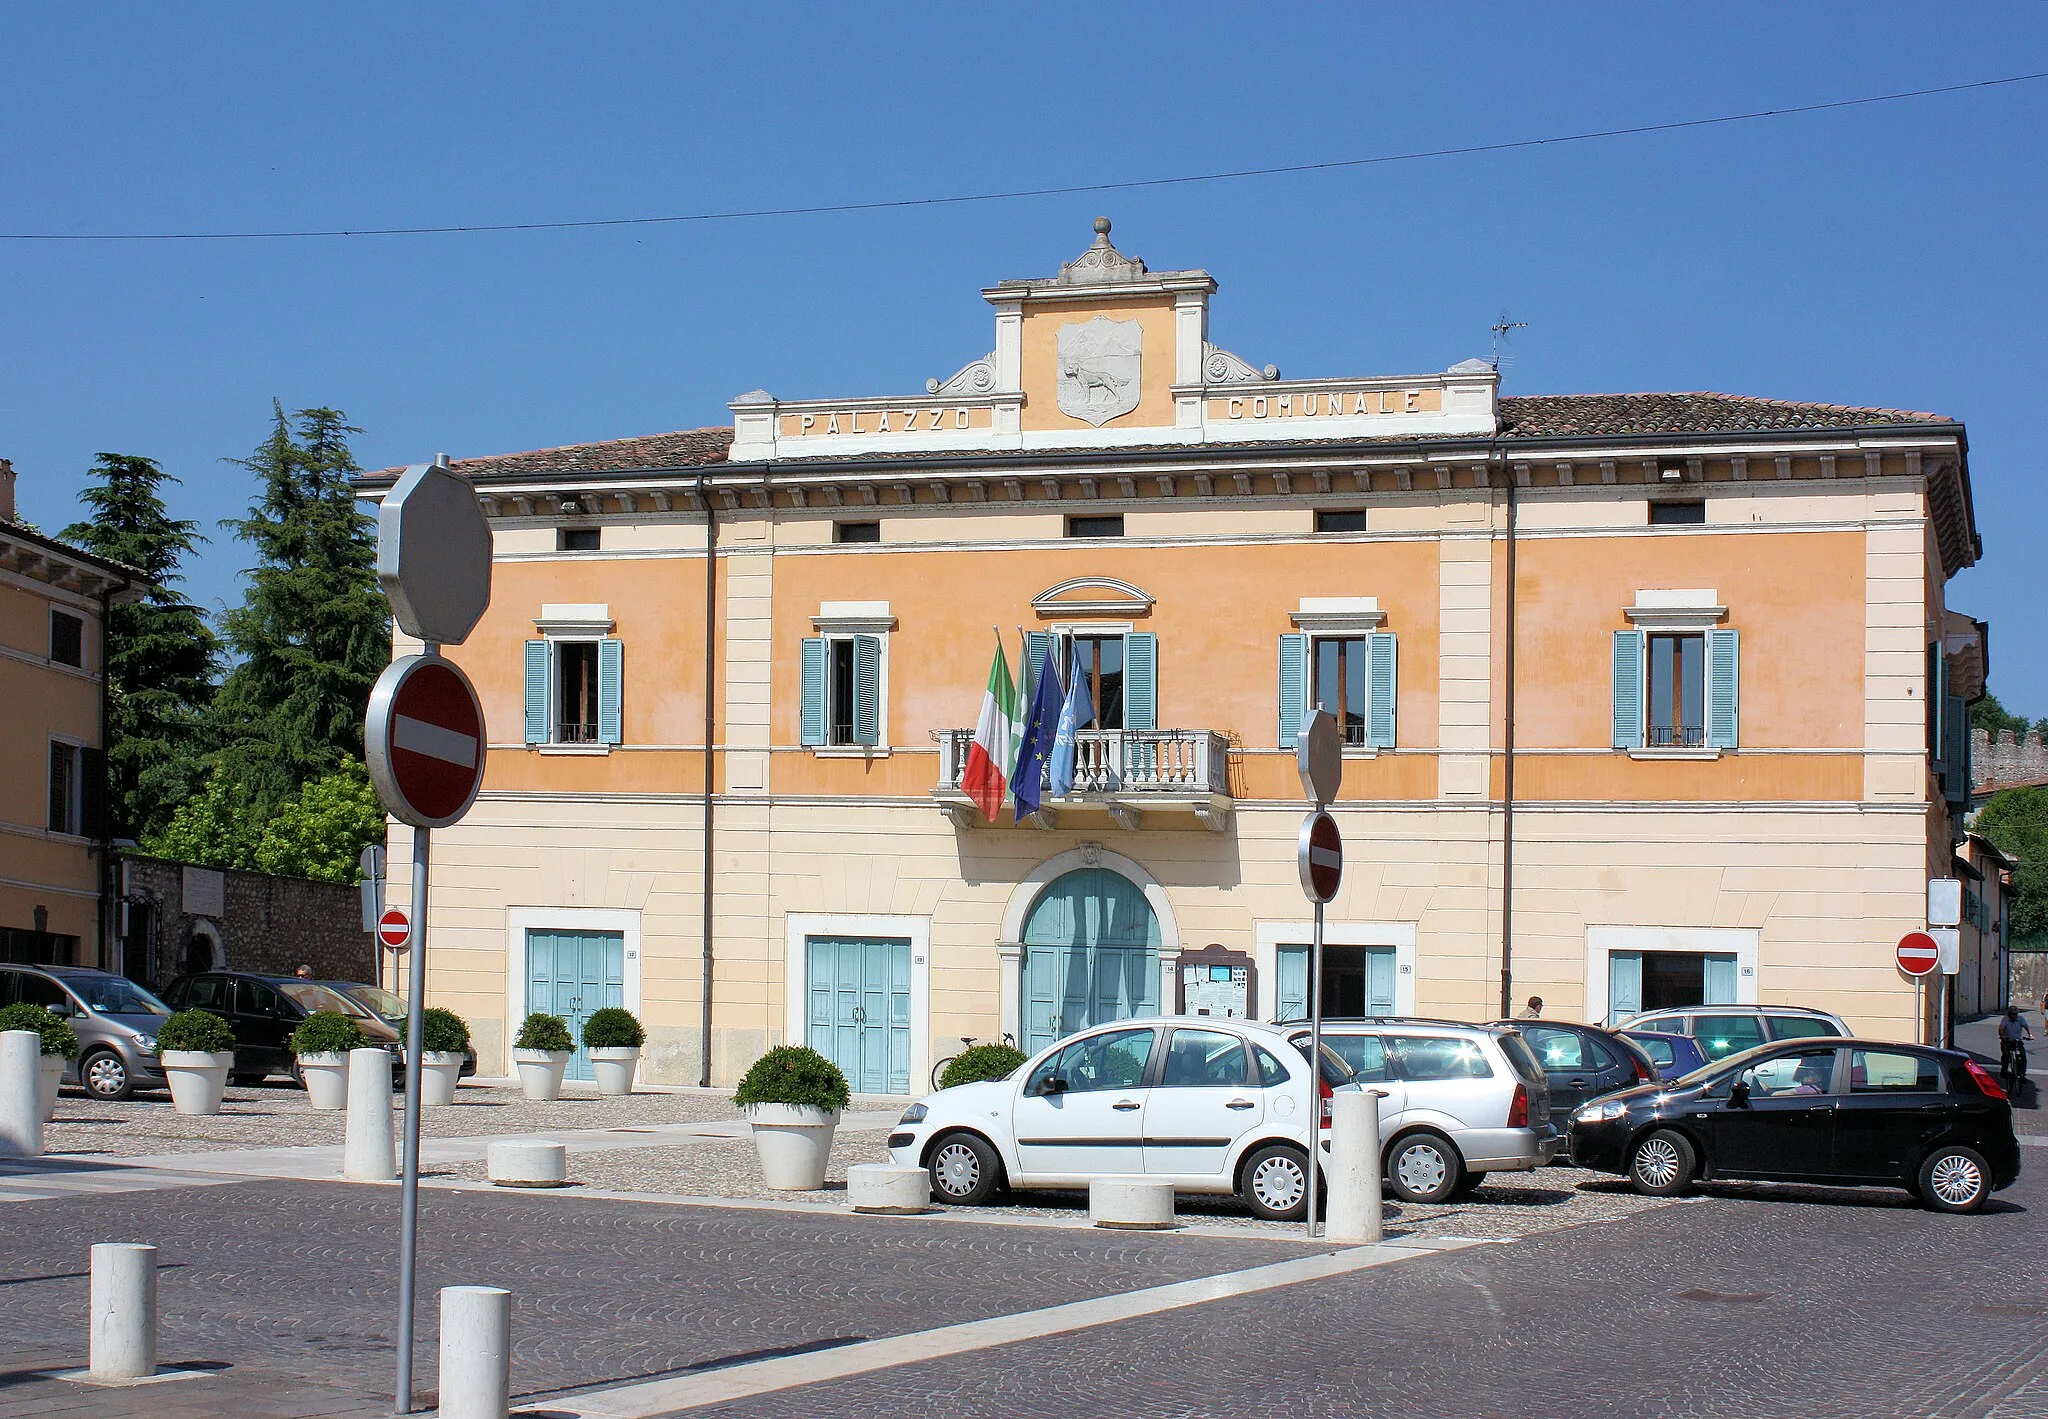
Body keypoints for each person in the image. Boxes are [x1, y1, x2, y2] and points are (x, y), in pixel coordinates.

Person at [1999, 1006, 2032, 1092]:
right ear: (2009, 1014)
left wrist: (2030, 1035)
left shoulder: (2020, 1019)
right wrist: (2002, 1036)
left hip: (2017, 1041)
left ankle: (2022, 1074)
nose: (2015, 1016)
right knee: (2006, 1055)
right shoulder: (2005, 1019)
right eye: (2013, 1014)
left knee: (2023, 1056)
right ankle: (2004, 1070)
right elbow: (2001, 1029)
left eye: (2016, 1014)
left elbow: (2026, 1027)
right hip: (2007, 1041)